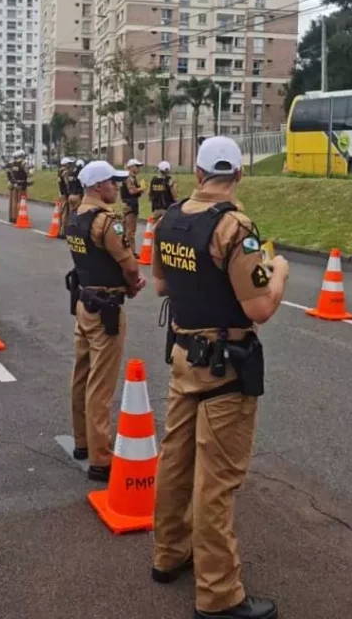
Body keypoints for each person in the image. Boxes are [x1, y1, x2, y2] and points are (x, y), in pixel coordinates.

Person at [151, 136, 289, 619]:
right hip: (226, 364)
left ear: (198, 172)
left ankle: (169, 552)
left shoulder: (168, 218)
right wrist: (280, 273)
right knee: (217, 479)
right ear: (239, 176)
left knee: (175, 460)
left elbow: (162, 283)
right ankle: (219, 593)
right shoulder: (235, 227)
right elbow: (260, 307)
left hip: (185, 355)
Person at [65, 160, 146, 481]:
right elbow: (128, 265)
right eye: (113, 182)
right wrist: (133, 285)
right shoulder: (106, 222)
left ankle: (82, 442)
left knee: (81, 375)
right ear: (99, 186)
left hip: (85, 301)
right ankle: (101, 457)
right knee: (101, 383)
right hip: (107, 307)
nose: (117, 187)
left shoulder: (75, 218)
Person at [121, 159, 145, 255]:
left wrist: (139, 190)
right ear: (131, 167)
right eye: (137, 166)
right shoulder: (130, 178)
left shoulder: (131, 177)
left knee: (122, 229)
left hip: (126, 205)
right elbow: (131, 191)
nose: (139, 168)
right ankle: (131, 252)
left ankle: (121, 249)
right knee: (130, 231)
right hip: (130, 206)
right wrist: (141, 188)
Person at [7, 150, 30, 221]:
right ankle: (19, 217)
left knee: (13, 201)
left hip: (14, 183)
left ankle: (13, 217)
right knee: (21, 201)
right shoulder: (23, 164)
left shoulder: (12, 164)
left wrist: (11, 181)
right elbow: (28, 173)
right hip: (22, 184)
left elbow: (8, 173)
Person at [56, 157, 73, 237]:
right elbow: (67, 184)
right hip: (65, 194)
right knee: (65, 213)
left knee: (61, 212)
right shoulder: (65, 172)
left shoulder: (59, 171)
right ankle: (63, 232)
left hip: (61, 193)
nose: (70, 165)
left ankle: (59, 229)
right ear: (66, 164)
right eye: (69, 163)